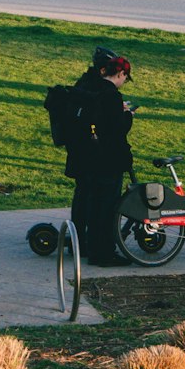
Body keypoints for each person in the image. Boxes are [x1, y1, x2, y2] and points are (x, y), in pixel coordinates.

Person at [65, 45, 135, 265]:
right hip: (106, 159)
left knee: (87, 200)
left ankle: (82, 242)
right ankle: (102, 251)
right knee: (105, 206)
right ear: (120, 73)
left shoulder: (86, 86)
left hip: (84, 154)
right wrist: (128, 115)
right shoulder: (110, 95)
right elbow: (117, 128)